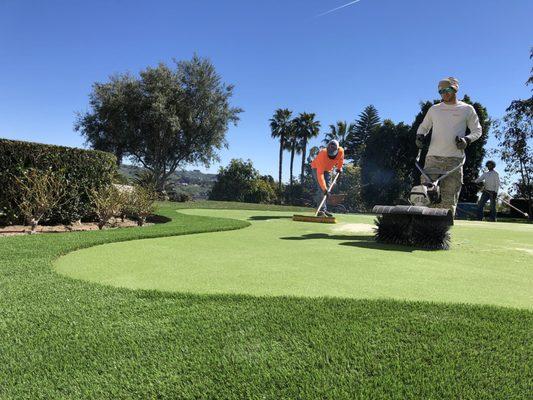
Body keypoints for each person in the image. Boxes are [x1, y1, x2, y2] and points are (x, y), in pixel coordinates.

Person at [416, 77, 482, 216]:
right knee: (426, 197)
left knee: (448, 201)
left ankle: (441, 234)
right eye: (441, 91)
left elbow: (477, 131)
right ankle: (423, 232)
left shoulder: (467, 109)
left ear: (455, 89)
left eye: (447, 90)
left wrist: (467, 140)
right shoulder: (434, 109)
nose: (444, 93)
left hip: (454, 161)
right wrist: (420, 136)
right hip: (432, 159)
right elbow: (423, 127)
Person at [310, 140, 344, 217]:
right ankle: (321, 211)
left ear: (337, 150)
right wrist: (324, 189)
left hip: (328, 169)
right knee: (322, 189)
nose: (331, 155)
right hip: (316, 168)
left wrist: (339, 168)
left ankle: (324, 210)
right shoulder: (323, 154)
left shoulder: (341, 151)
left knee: (327, 189)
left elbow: (341, 160)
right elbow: (320, 174)